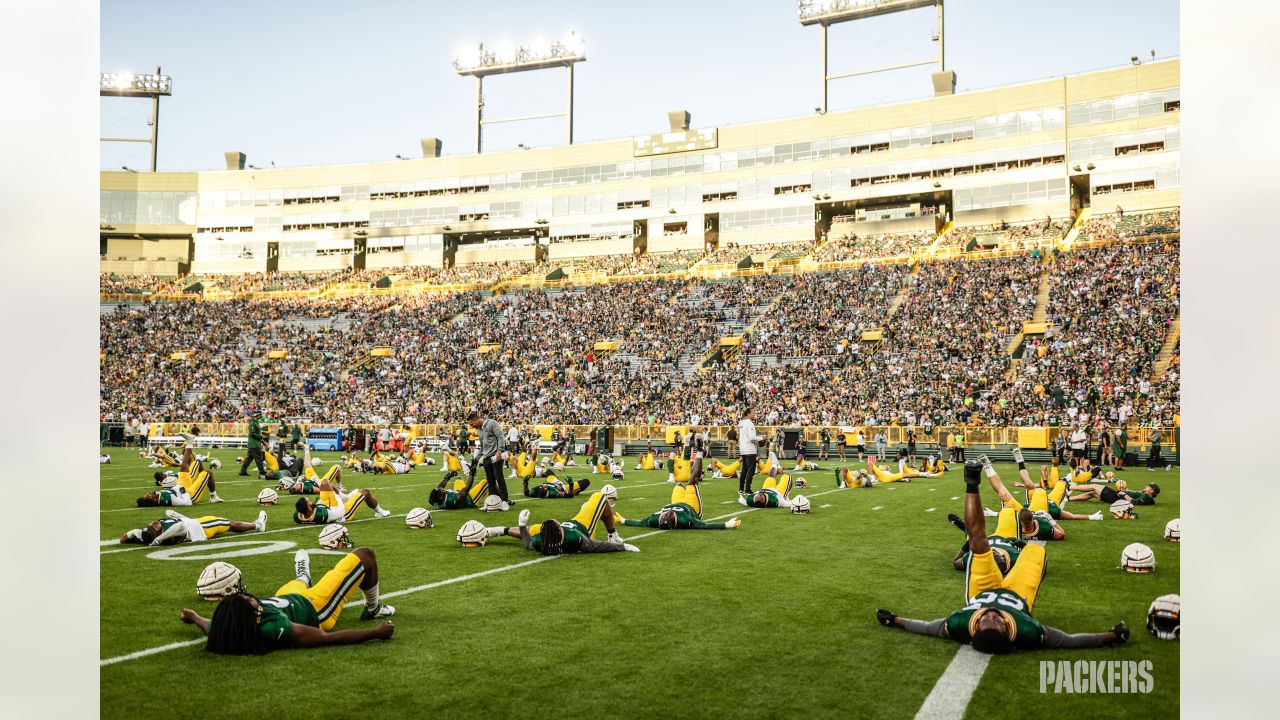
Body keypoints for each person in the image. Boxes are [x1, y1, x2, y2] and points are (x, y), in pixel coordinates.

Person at [875, 460, 1130, 654]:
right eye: (997, 621)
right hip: (1019, 593)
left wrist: (894, 620)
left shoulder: (960, 623)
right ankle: (1012, 542)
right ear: (1008, 631)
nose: (992, 615)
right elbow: (1067, 640)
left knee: (979, 540)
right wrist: (1110, 636)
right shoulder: (1028, 631)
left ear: (976, 626)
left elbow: (927, 627)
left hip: (981, 589)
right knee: (1036, 551)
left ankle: (971, 483)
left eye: (986, 618)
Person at [179, 547, 395, 654]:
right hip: (315, 606)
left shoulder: (230, 623)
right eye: (248, 601)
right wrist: (374, 633)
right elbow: (324, 638)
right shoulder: (274, 627)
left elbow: (213, 626)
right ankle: (372, 607)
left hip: (284, 597)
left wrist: (194, 617)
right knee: (365, 555)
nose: (250, 597)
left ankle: (303, 575)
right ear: (254, 618)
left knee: (298, 582)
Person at [483, 508, 639, 555]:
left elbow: (527, 543)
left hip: (556, 532)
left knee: (534, 528)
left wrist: (522, 525)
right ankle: (614, 535)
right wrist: (622, 546)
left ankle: (498, 530)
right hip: (582, 528)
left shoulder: (540, 542)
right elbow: (598, 546)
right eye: (558, 524)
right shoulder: (574, 538)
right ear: (560, 532)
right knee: (600, 497)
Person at [623, 474, 740, 530]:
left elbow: (640, 523)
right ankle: (698, 453)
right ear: (674, 520)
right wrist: (726, 524)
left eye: (665, 514)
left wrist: (623, 520)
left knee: (679, 484)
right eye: (670, 515)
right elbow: (704, 525)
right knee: (692, 482)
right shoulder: (685, 520)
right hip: (691, 506)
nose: (668, 512)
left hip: (677, 501)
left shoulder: (655, 519)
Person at [138, 444, 224, 506]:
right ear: (152, 499)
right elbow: (187, 503)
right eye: (147, 496)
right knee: (208, 472)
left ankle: (189, 442)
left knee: (184, 467)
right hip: (190, 495)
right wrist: (182, 490)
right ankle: (213, 497)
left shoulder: (158, 495)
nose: (148, 493)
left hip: (181, 487)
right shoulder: (167, 499)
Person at [121, 509, 266, 545]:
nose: (154, 524)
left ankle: (256, 525)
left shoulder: (148, 535)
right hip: (200, 529)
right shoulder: (168, 535)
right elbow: (180, 527)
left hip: (193, 522)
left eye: (152, 525)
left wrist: (134, 533)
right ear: (158, 533)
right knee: (229, 524)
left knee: (228, 524)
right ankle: (258, 525)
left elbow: (124, 539)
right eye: (155, 527)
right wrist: (159, 539)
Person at [293, 475, 391, 524]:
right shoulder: (323, 515)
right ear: (309, 508)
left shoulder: (299, 516)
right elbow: (341, 511)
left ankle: (343, 495)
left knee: (325, 483)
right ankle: (380, 511)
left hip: (327, 506)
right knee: (365, 492)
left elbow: (315, 506)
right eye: (308, 501)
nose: (310, 501)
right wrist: (338, 497)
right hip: (342, 513)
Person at [468, 409, 510, 505]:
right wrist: (476, 459)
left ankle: (504, 501)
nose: (471, 426)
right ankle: (492, 501)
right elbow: (482, 447)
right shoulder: (478, 431)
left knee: (499, 477)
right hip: (487, 457)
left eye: (472, 424)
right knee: (490, 480)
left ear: (476, 420)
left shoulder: (492, 423)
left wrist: (500, 450)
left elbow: (500, 437)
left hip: (496, 455)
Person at [737, 408, 766, 495]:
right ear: (748, 414)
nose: (754, 414)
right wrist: (762, 438)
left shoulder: (742, 423)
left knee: (744, 470)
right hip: (749, 449)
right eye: (753, 413)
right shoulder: (750, 424)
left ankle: (741, 489)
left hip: (743, 449)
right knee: (750, 470)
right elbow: (752, 437)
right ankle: (747, 489)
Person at [239, 408, 268, 479]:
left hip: (254, 443)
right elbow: (252, 434)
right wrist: (261, 437)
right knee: (259, 458)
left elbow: (256, 434)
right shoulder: (252, 423)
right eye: (259, 414)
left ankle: (242, 471)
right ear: (256, 415)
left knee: (249, 458)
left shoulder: (256, 422)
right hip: (254, 444)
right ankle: (262, 472)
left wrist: (262, 440)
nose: (260, 416)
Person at [523, 475, 590, 499]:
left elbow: (527, 493)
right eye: (544, 487)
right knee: (586, 481)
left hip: (553, 482)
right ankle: (576, 491)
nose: (543, 485)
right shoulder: (553, 492)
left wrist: (525, 483)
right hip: (564, 487)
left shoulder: (535, 491)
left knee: (549, 472)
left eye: (542, 486)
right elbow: (570, 495)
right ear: (546, 490)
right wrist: (571, 485)